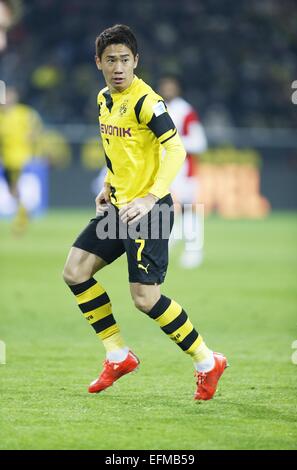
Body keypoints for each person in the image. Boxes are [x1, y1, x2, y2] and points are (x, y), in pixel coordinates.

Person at [63, 24, 228, 401]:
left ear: (136, 61)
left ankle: (207, 361)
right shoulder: (104, 98)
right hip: (119, 206)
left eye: (124, 60)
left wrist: (152, 197)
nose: (118, 67)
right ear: (98, 63)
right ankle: (118, 355)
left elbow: (177, 151)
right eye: (110, 60)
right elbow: (115, 150)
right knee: (74, 271)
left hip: (148, 211)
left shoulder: (147, 102)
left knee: (145, 299)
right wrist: (108, 183)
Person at [158, 75, 208, 268]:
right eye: (165, 85)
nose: (167, 89)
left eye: (171, 86)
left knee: (188, 210)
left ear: (178, 88)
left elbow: (199, 142)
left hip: (184, 170)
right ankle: (167, 244)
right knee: (163, 208)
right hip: (164, 169)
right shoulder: (156, 106)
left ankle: (194, 250)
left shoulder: (185, 110)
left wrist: (172, 144)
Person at [0, 86, 43, 233]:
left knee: (14, 187)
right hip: (7, 159)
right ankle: (24, 212)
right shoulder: (1, 116)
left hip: (20, 158)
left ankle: (21, 218)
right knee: (13, 189)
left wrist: (32, 137)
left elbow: (36, 127)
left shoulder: (24, 113)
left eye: (9, 97)